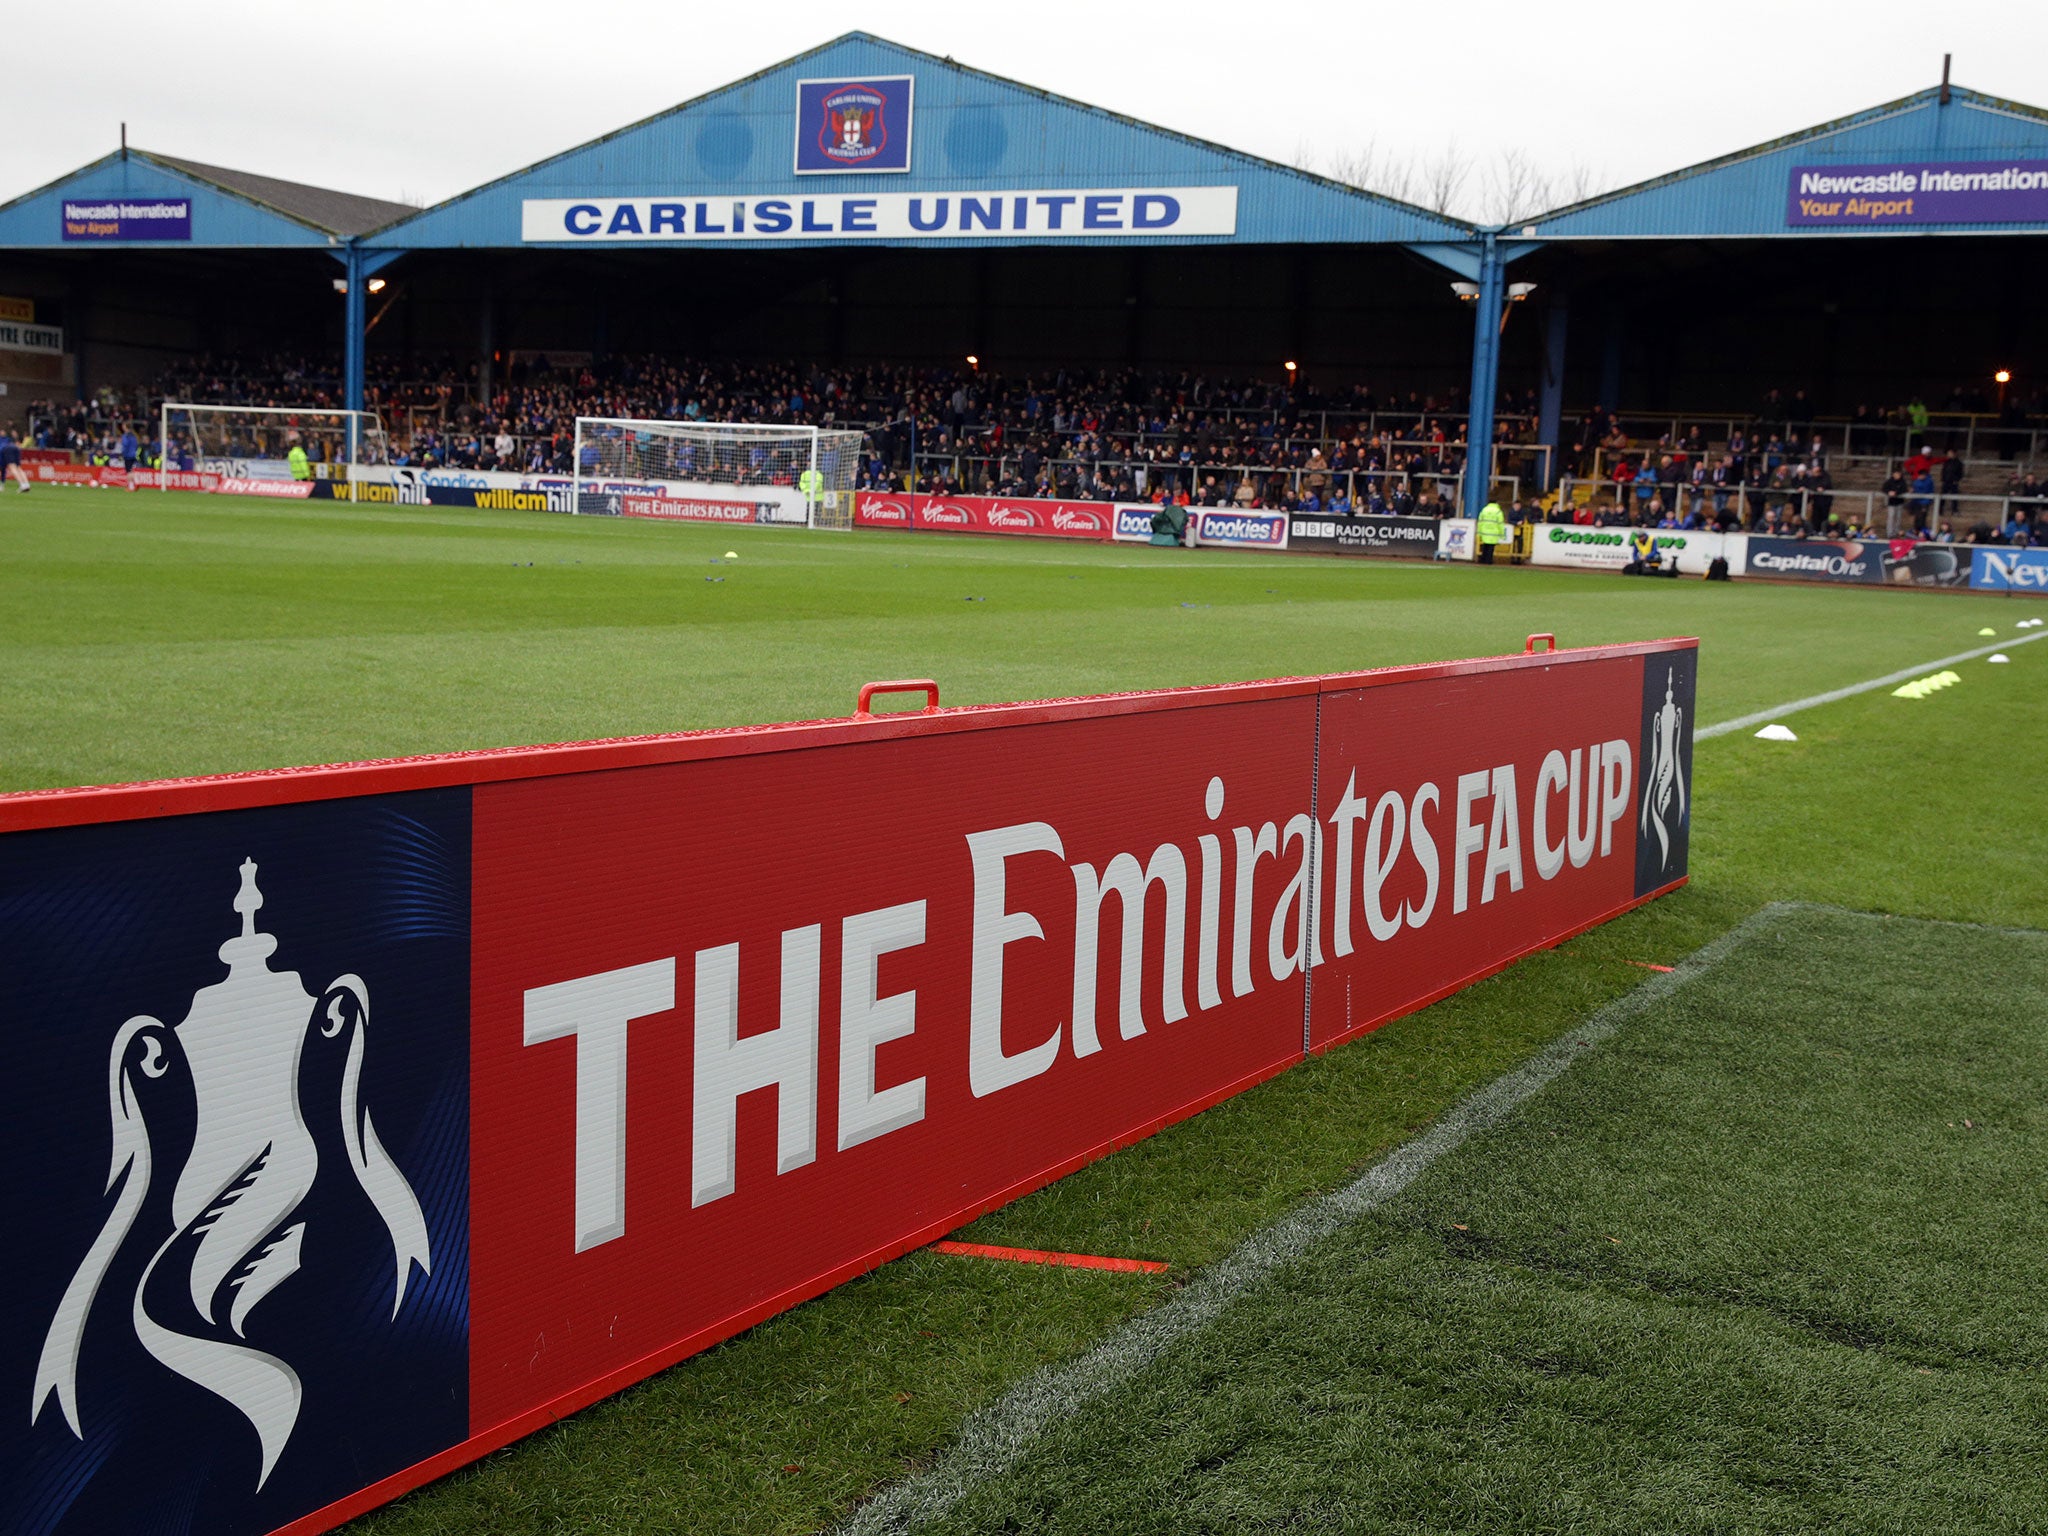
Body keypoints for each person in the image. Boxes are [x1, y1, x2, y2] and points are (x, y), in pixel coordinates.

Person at [1475, 499, 1507, 564]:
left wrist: (1479, 532)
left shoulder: (1484, 510)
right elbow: (1500, 523)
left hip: (1485, 532)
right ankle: (1488, 560)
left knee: (1485, 546)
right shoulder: (1498, 511)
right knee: (1491, 547)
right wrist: (1502, 534)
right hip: (1494, 532)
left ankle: (1483, 560)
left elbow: (1480, 521)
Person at [0, 427, 28, 492]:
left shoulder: (6, 440)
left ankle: (23, 485)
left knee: (13, 467)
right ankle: (26, 484)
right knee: (18, 467)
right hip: (13, 449)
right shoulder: (8, 439)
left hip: (6, 451)